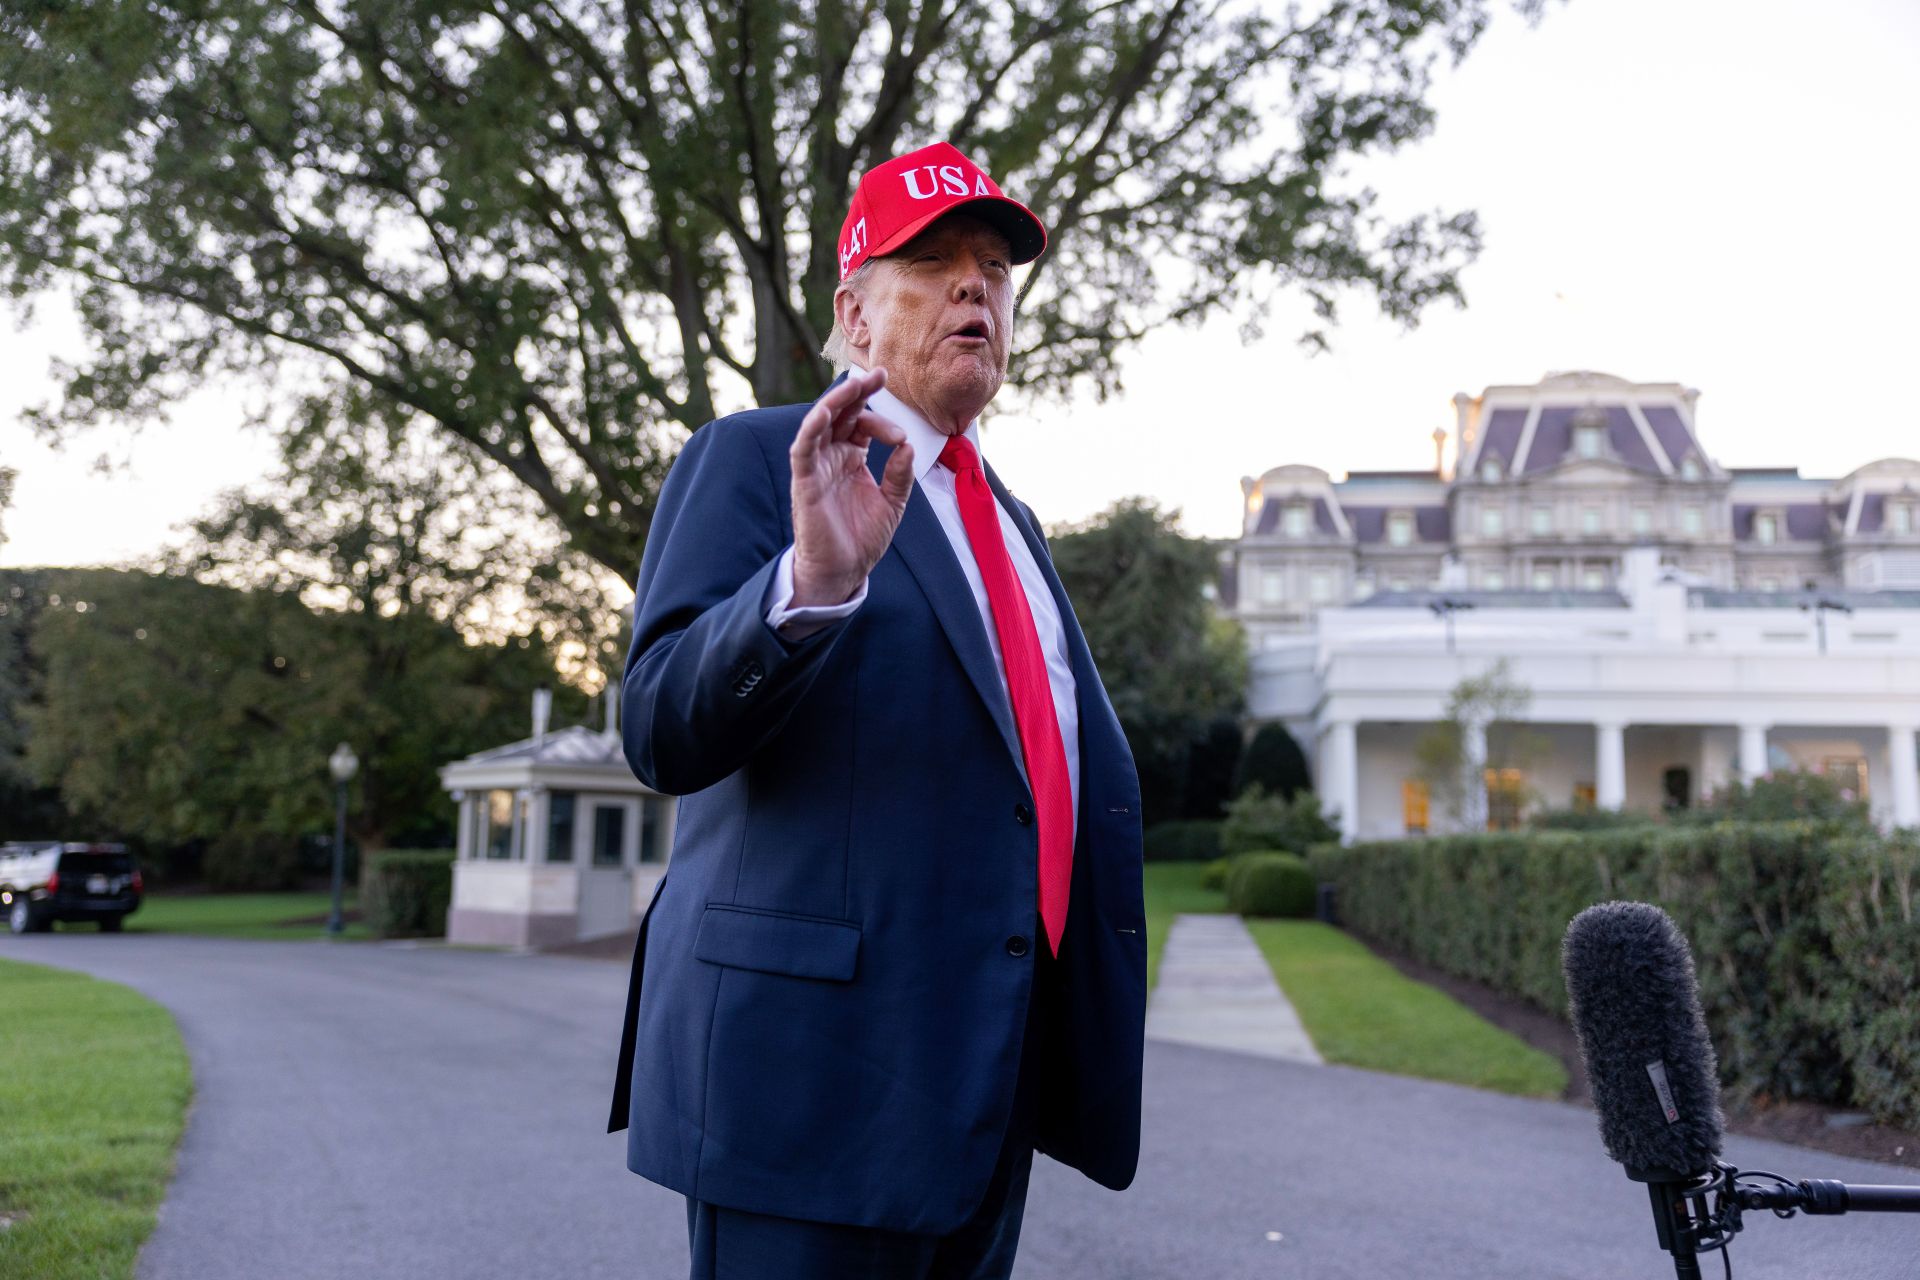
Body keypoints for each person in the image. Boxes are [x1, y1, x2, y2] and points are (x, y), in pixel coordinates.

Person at [607, 141, 1146, 1279]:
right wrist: (808, 588)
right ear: (854, 315)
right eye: (935, 262)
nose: (975, 287)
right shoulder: (754, 458)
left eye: (995, 269)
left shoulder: (1016, 525)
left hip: (987, 1090)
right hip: (806, 1095)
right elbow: (658, 726)